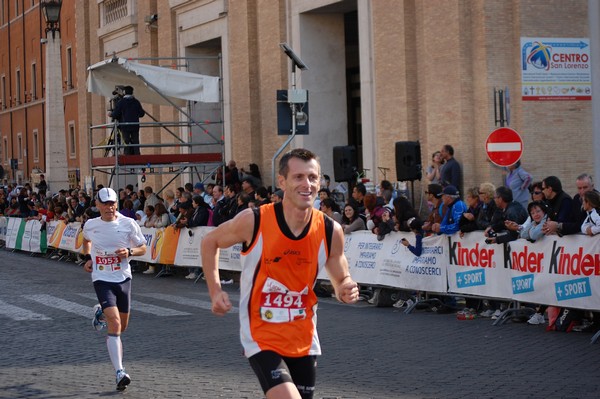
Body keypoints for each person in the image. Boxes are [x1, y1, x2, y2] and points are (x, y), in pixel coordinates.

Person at [201, 148, 359, 399]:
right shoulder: (254, 220)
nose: (307, 184)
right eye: (298, 177)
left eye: (312, 177)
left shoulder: (331, 229)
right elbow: (210, 242)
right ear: (282, 181)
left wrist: (345, 288)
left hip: (304, 337)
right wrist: (215, 291)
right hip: (262, 334)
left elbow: (341, 277)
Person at [82, 187, 147, 391]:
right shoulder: (91, 225)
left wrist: (129, 251)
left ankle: (100, 313)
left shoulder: (128, 223)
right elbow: (86, 241)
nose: (109, 207)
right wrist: (87, 257)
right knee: (115, 323)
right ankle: (120, 371)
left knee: (122, 326)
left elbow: (143, 247)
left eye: (112, 203)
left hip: (123, 278)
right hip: (102, 278)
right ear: (98, 205)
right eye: (105, 203)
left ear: (116, 204)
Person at [107, 85, 145, 155]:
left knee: (126, 142)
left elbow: (116, 114)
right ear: (132, 92)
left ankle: (127, 155)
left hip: (125, 126)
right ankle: (137, 155)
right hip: (135, 126)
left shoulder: (121, 102)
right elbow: (142, 113)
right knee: (136, 141)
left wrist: (111, 114)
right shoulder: (136, 102)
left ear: (124, 92)